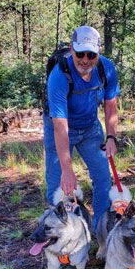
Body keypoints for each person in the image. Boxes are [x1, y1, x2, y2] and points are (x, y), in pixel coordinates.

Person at [43, 25, 120, 232]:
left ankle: (100, 231)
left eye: (91, 54)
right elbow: (60, 127)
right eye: (80, 53)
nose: (85, 59)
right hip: (59, 129)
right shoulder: (59, 76)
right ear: (72, 49)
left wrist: (111, 137)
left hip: (90, 128)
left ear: (98, 51)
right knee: (58, 186)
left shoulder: (106, 68)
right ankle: (61, 235)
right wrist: (67, 170)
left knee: (103, 178)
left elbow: (111, 106)